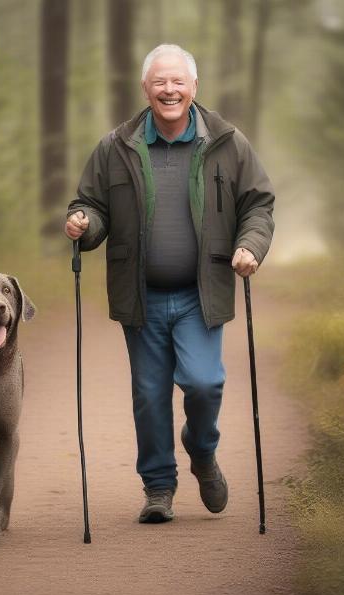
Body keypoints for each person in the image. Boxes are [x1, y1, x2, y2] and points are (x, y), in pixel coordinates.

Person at [65, 44, 274, 523]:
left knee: (204, 383)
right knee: (150, 394)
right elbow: (91, 205)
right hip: (141, 297)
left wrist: (251, 245)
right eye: (160, 81)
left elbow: (259, 204)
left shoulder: (227, 141)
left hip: (201, 294)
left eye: (178, 81)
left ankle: (201, 451)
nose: (169, 89)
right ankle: (158, 487)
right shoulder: (116, 146)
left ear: (194, 87)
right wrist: (82, 223)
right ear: (146, 88)